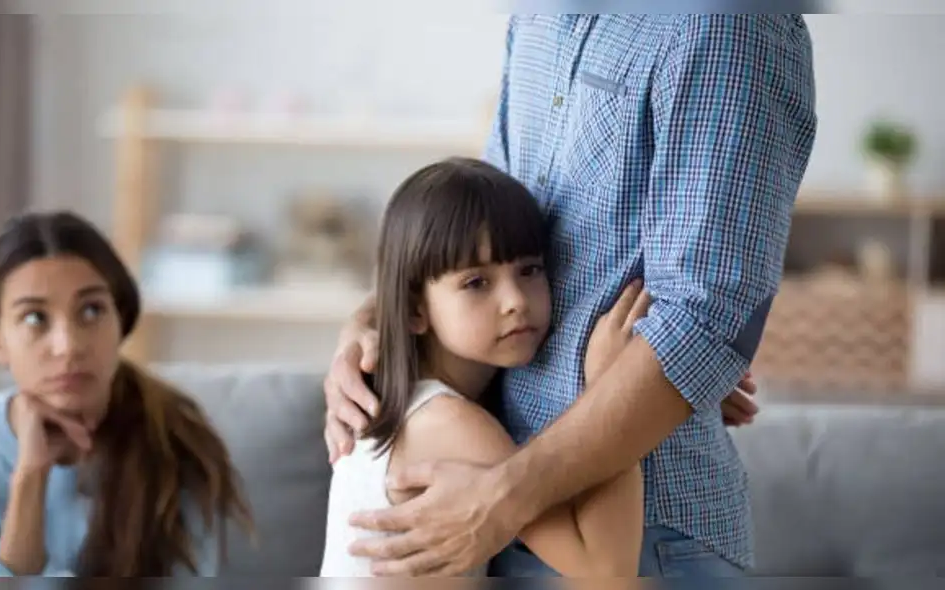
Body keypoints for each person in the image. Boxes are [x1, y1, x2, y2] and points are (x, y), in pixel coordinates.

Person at [323, 14, 817, 579]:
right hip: (505, 514)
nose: (513, 301)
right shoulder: (538, 16)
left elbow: (705, 324)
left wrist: (503, 494)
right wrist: (368, 325)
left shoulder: (726, 23)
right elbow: (483, 226)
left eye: (527, 274)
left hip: (636, 534)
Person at [320, 157, 648, 578]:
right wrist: (614, 387)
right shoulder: (451, 425)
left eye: (529, 270)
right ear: (414, 310)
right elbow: (607, 573)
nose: (515, 300)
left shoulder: (410, 403)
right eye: (476, 283)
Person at [0, 211, 253, 576]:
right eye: (34, 318)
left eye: (91, 310)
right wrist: (30, 477)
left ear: (120, 320)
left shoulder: (177, 438)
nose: (68, 346)